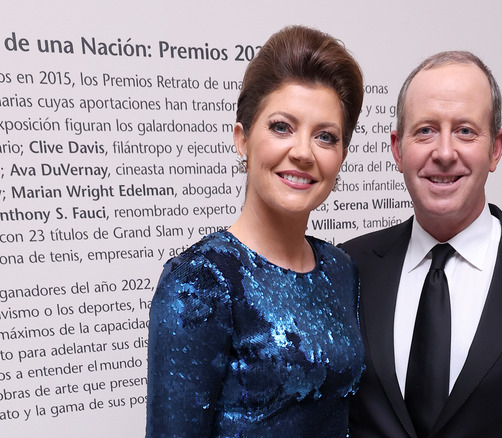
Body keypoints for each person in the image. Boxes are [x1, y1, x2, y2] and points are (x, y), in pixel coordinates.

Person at [341, 51, 502, 437]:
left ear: (495, 148)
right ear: (398, 149)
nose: (444, 153)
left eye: (465, 131)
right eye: (425, 130)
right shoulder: (348, 266)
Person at [146, 25, 365, 437]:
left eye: (325, 136)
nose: (302, 152)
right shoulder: (200, 280)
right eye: (282, 126)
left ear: (341, 156)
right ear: (242, 140)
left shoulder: (341, 270)